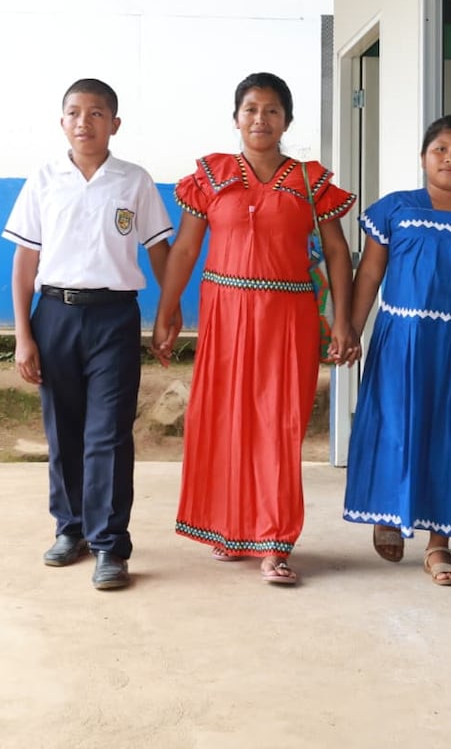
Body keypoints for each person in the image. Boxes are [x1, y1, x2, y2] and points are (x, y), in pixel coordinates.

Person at [151, 71, 358, 585]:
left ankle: (275, 542)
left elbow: (336, 252)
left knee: (279, 424)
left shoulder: (311, 183)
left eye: (271, 110)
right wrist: (166, 310)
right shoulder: (211, 177)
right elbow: (185, 249)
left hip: (288, 319)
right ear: (236, 117)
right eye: (251, 109)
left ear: (286, 120)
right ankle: (228, 527)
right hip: (224, 313)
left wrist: (344, 322)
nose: (260, 119)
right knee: (224, 419)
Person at [2, 78, 173, 591]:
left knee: (108, 434)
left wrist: (169, 309)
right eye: (74, 113)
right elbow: (25, 260)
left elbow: (160, 249)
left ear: (113, 124)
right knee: (64, 430)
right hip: (54, 314)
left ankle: (110, 545)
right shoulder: (44, 178)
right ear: (62, 122)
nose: (84, 122)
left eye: (96, 113)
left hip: (114, 318)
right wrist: (22, 334)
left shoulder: (134, 181)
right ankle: (70, 528)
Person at [343, 114, 451, 586]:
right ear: (423, 157)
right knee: (394, 424)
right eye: (441, 149)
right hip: (399, 338)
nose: (450, 159)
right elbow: (371, 275)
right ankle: (390, 511)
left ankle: (439, 546)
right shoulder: (394, 210)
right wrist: (353, 330)